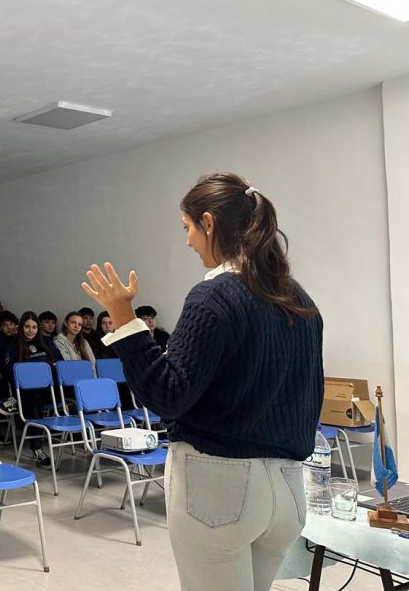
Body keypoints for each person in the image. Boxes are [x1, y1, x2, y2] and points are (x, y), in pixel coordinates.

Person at [81, 173, 323, 591]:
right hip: (287, 489)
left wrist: (122, 316)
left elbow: (167, 395)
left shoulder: (215, 296)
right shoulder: (300, 300)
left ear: (208, 222)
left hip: (221, 488)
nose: (188, 241)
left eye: (188, 228)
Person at [4, 311, 57, 468]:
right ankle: (37, 448)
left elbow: (58, 363)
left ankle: (11, 403)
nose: (30, 330)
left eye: (34, 327)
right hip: (26, 392)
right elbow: (8, 373)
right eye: (27, 327)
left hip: (48, 389)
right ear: (21, 327)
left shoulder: (47, 344)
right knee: (34, 399)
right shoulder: (14, 346)